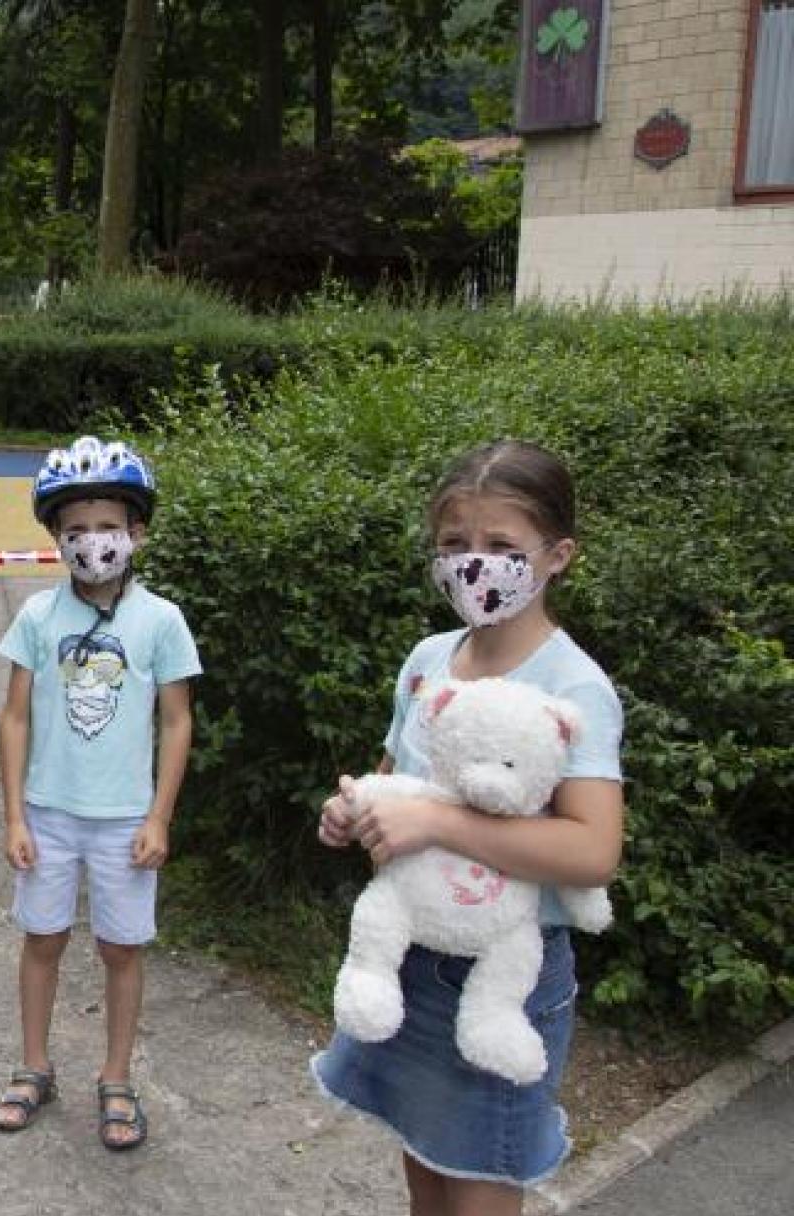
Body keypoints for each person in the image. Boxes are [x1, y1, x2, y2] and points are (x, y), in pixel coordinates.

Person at [313, 440, 624, 1216]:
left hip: (501, 985)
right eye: (455, 546)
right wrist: (356, 810)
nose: (473, 565)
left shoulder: (573, 685)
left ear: (558, 556)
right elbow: (395, 776)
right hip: (410, 963)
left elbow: (592, 851)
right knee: (423, 1162)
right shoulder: (427, 662)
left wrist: (434, 823)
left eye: (501, 547)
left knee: (480, 1186)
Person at [0, 436, 201, 1151]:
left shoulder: (160, 620)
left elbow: (176, 722)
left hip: (124, 823)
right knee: (42, 938)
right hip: (48, 815)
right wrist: (15, 813)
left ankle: (116, 1075)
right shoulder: (38, 619)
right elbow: (14, 717)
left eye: (107, 526)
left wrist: (160, 816)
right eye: (74, 530)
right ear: (55, 537)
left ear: (137, 531)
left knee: (122, 950)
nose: (92, 543)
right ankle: (33, 1064)